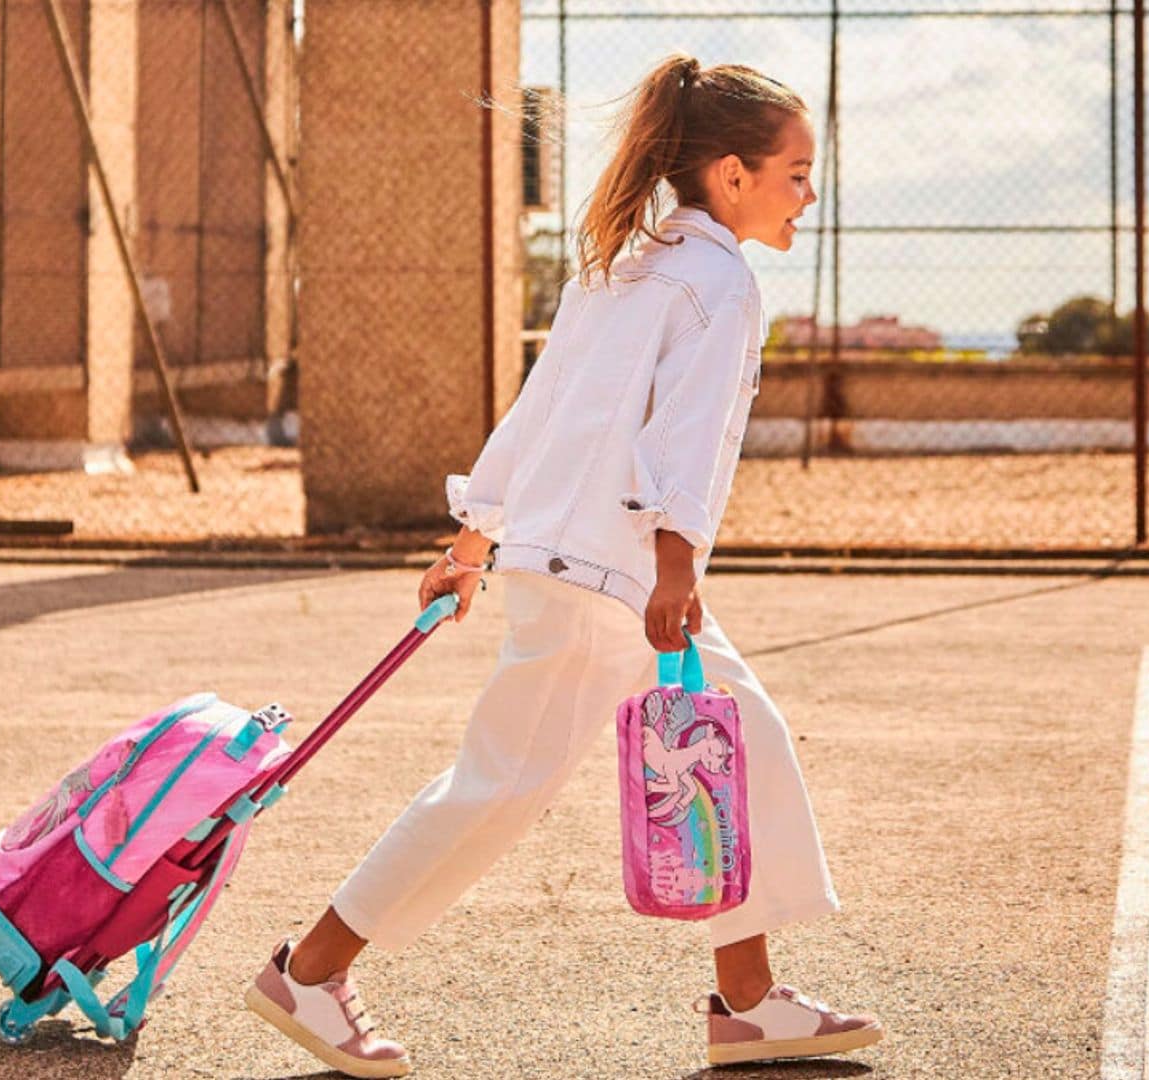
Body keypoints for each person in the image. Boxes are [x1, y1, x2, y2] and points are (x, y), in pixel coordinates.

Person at [242, 53, 882, 1077]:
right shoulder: (719, 282)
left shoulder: (621, 266)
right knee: (499, 787)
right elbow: (685, 439)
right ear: (729, 174)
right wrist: (674, 567)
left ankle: (750, 1001)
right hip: (616, 581)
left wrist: (472, 541)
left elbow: (536, 413)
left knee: (741, 737)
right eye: (796, 172)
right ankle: (309, 970)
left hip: (594, 567)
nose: (809, 195)